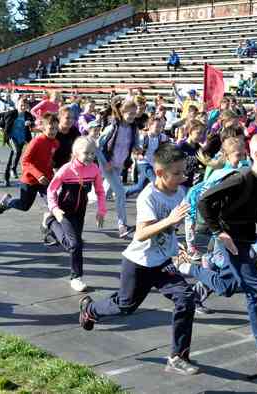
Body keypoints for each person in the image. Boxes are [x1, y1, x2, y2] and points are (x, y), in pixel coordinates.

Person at [175, 131, 257, 372]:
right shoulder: (240, 178)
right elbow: (204, 201)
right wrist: (219, 233)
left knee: (226, 288)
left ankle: (188, 267)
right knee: (256, 290)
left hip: (244, 236)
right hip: (223, 236)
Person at [78, 144, 199, 376]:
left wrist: (177, 247)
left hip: (162, 262)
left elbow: (169, 230)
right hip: (139, 263)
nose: (182, 177)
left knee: (186, 297)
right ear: (160, 172)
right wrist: (170, 220)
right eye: (177, 173)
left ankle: (178, 356)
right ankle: (90, 309)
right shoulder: (148, 197)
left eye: (184, 172)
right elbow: (142, 233)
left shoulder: (181, 193)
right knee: (125, 306)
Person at [44, 137, 106, 292]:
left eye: (93, 153)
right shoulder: (66, 169)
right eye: (86, 153)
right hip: (63, 211)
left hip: (80, 212)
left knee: (73, 244)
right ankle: (76, 277)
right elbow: (51, 189)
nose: (90, 156)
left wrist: (101, 210)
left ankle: (49, 222)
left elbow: (100, 191)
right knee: (75, 245)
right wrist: (55, 209)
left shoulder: (94, 169)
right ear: (76, 153)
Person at [0, 112, 60, 215]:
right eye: (51, 128)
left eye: (56, 129)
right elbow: (25, 161)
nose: (54, 131)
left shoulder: (56, 143)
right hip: (30, 180)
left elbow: (49, 160)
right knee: (24, 206)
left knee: (53, 204)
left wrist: (53, 171)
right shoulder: (36, 142)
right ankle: (8, 202)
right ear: (43, 127)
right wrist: (38, 175)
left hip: (46, 180)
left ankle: (50, 226)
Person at [96, 100, 141, 238]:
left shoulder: (134, 128)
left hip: (119, 164)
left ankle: (98, 210)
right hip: (108, 164)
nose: (133, 116)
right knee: (120, 192)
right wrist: (105, 162)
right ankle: (122, 225)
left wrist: (137, 149)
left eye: (135, 113)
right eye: (130, 113)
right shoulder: (112, 128)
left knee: (105, 192)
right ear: (122, 112)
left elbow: (136, 144)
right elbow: (97, 146)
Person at [0, 98, 34, 187]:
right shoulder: (11, 113)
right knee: (17, 152)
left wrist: (30, 123)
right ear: (17, 105)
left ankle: (6, 178)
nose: (23, 107)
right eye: (21, 105)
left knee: (12, 157)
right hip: (11, 137)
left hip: (22, 138)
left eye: (25, 105)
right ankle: (13, 169)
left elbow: (33, 123)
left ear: (27, 106)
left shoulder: (28, 115)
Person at [126, 116, 168, 197]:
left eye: (160, 127)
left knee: (139, 187)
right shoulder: (143, 137)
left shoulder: (161, 137)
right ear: (149, 126)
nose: (159, 129)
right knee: (155, 181)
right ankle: (158, 199)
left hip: (153, 164)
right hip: (143, 163)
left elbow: (172, 144)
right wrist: (138, 155)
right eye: (157, 126)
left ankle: (123, 192)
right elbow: (133, 148)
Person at [53, 106, 81, 171]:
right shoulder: (53, 132)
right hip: (54, 168)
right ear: (59, 118)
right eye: (67, 118)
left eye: (72, 118)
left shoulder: (75, 131)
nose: (71, 120)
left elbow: (80, 147)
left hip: (71, 167)